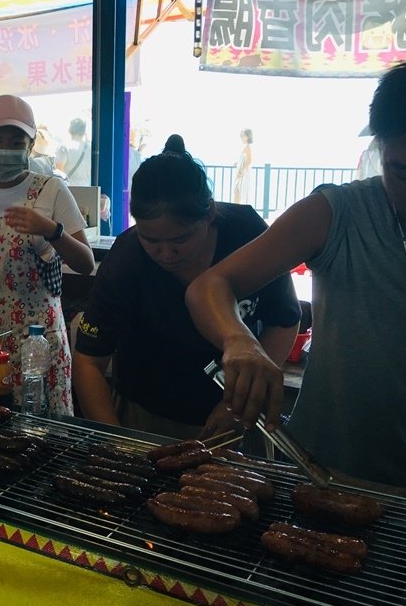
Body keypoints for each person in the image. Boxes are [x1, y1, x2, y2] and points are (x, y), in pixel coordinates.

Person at [185, 48, 406, 504]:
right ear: (380, 151)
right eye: (404, 173)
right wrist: (239, 341)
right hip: (322, 476)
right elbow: (210, 286)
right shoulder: (337, 213)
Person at [73, 135, 300, 438]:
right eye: (151, 240)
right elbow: (89, 361)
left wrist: (236, 403)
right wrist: (117, 442)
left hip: (230, 413)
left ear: (209, 213)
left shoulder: (246, 235)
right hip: (144, 412)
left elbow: (284, 320)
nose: (166, 254)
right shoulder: (127, 259)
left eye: (181, 239)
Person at [0, 94, 95, 415]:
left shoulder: (51, 190)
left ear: (30, 146)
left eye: (16, 141)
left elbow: (85, 263)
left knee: (42, 432)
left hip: (37, 340)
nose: (5, 149)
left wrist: (52, 230)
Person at [55, 117, 91, 187]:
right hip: (88, 190)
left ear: (69, 130)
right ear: (83, 131)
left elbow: (59, 172)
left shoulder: (64, 147)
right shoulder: (90, 148)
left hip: (69, 191)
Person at [232, 128, 254, 204]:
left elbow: (249, 161)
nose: (241, 137)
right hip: (242, 172)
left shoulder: (248, 147)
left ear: (247, 136)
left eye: (242, 136)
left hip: (243, 173)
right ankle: (236, 208)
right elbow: (244, 159)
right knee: (237, 191)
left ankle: (236, 209)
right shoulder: (246, 146)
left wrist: (241, 171)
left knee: (237, 191)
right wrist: (237, 163)